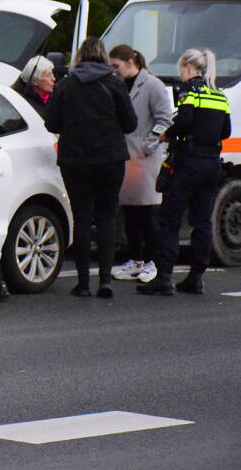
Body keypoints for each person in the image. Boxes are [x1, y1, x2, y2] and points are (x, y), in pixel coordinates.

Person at [44, 38, 137, 298]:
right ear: (104, 57)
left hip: (75, 161)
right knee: (107, 216)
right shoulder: (115, 84)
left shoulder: (66, 85)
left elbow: (51, 123)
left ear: (78, 58)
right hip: (110, 159)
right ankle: (105, 280)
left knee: (82, 217)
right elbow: (130, 124)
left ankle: (83, 283)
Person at [139, 49, 231, 296]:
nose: (180, 74)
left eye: (181, 69)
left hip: (189, 163)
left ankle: (164, 277)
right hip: (212, 165)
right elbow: (225, 131)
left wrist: (167, 135)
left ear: (189, 68)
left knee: (169, 219)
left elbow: (185, 121)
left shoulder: (189, 91)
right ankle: (196, 277)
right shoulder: (219, 95)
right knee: (202, 222)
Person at [108, 45, 173, 283]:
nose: (113, 70)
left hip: (144, 158)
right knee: (130, 212)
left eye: (116, 66)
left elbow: (165, 119)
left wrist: (149, 145)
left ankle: (154, 262)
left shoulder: (153, 85)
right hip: (126, 157)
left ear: (129, 62)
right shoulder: (118, 84)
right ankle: (136, 260)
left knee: (146, 213)